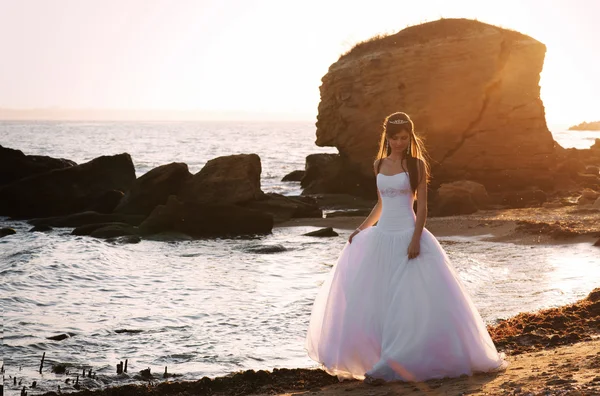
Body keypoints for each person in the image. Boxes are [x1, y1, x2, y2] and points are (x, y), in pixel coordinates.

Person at [305, 112, 507, 384]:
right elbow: (380, 205)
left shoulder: (417, 165)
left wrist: (415, 239)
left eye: (404, 137)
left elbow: (421, 206)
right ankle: (378, 355)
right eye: (395, 137)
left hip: (408, 235)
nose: (399, 142)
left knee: (411, 302)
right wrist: (361, 229)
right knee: (380, 300)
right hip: (382, 236)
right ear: (386, 137)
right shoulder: (378, 164)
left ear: (409, 137)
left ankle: (402, 359)